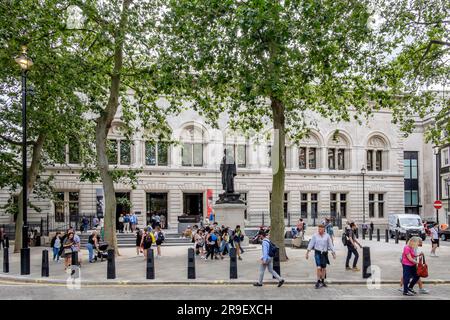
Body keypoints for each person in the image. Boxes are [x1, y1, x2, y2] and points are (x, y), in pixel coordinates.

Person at [306, 224, 336, 289]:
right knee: (318, 267)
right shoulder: (315, 235)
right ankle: (318, 281)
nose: (319, 230)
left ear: (323, 229)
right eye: (318, 229)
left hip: (324, 253)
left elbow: (330, 245)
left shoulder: (327, 236)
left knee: (324, 268)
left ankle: (322, 281)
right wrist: (307, 253)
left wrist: (333, 253)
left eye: (320, 229)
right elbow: (311, 243)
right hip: (317, 253)